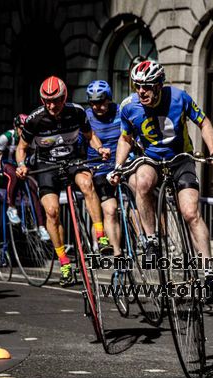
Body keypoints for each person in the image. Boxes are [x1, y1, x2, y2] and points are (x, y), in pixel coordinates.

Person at [110, 60, 213, 299]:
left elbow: (203, 122)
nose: (142, 91)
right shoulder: (129, 107)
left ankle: (210, 273)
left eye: (148, 86)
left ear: (160, 85)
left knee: (191, 212)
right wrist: (118, 166)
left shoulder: (179, 98)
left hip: (180, 158)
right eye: (137, 86)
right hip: (151, 158)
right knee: (141, 182)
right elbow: (125, 138)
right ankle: (151, 239)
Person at [15, 76, 112, 287]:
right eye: (47, 101)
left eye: (57, 100)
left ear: (64, 97)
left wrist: (100, 148)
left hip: (72, 160)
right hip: (46, 165)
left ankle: (100, 235)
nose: (52, 106)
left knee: (87, 184)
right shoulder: (34, 120)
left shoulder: (76, 112)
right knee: (51, 211)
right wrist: (22, 165)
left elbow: (90, 136)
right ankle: (65, 262)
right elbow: (21, 148)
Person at [0, 114, 50, 240]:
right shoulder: (6, 137)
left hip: (22, 167)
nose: (23, 131)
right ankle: (11, 208)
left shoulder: (31, 138)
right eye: (21, 128)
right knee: (14, 176)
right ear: (15, 126)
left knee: (35, 189)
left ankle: (41, 226)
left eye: (26, 128)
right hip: (8, 164)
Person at [85, 80, 124, 257]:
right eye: (93, 102)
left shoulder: (121, 112)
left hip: (121, 165)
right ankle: (116, 252)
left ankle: (146, 241)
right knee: (109, 210)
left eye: (101, 101)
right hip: (99, 169)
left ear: (108, 98)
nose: (97, 106)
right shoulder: (86, 117)